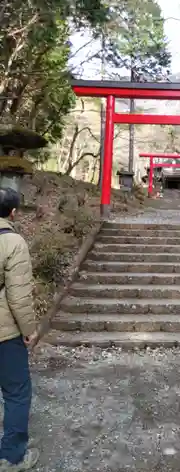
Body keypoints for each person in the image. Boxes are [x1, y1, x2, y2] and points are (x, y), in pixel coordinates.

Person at [0, 188, 39, 471]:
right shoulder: (12, 242)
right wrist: (29, 330)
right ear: (13, 212)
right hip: (4, 333)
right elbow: (19, 295)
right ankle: (12, 456)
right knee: (16, 392)